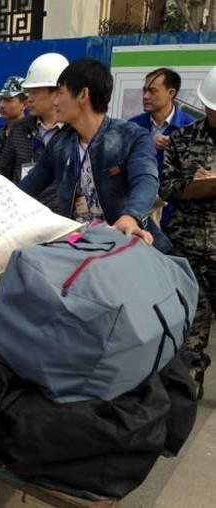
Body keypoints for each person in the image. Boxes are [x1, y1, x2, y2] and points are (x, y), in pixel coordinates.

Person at [19, 58, 160, 246]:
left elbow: (145, 180)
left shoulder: (132, 136)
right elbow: (30, 185)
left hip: (123, 244)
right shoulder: (60, 143)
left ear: (83, 95)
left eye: (60, 93)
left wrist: (130, 217)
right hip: (79, 245)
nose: (55, 101)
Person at [159, 65, 216, 399]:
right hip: (189, 246)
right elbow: (165, 187)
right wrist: (192, 184)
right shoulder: (182, 139)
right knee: (192, 322)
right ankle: (189, 386)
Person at [0, 53, 69, 213]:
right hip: (24, 215)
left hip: (62, 220)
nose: (29, 99)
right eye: (28, 93)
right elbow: (3, 173)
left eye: (34, 92)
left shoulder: (73, 132)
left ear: (56, 93)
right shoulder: (19, 129)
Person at [129, 68, 195, 173]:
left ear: (171, 93)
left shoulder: (192, 127)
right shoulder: (132, 125)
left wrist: (177, 150)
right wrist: (146, 145)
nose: (145, 96)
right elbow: (117, 165)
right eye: (145, 90)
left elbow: (203, 169)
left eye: (152, 91)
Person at [0, 75, 27, 169]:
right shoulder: (1, 133)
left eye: (8, 100)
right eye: (1, 99)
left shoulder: (30, 134)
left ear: (24, 104)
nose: (2, 105)